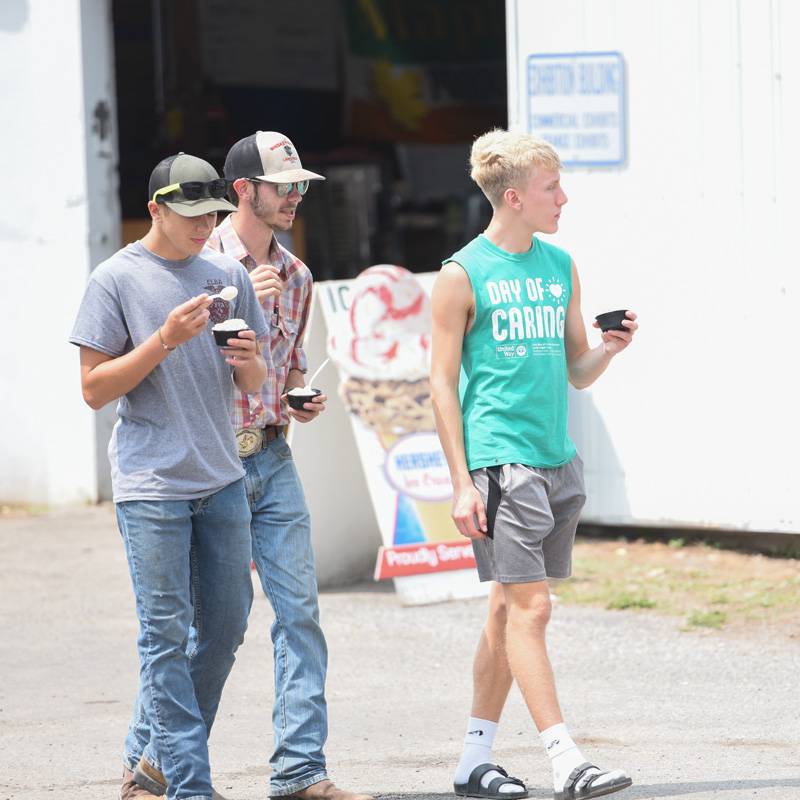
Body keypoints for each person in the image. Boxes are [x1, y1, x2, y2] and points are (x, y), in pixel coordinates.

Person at [129, 131, 372, 800]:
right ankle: (144, 761)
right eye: (282, 186)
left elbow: (285, 367)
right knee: (196, 629)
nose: (295, 198)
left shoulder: (297, 275)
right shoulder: (194, 263)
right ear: (243, 191)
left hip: (272, 454)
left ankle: (299, 771)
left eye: (301, 187)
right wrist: (240, 300)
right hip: (207, 468)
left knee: (300, 613)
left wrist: (300, 396)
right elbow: (170, 369)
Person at [430, 129, 638, 800]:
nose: (564, 198)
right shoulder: (462, 274)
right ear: (514, 197)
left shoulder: (560, 266)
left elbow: (577, 372)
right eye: (553, 189)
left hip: (556, 460)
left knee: (504, 612)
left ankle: (472, 761)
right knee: (532, 608)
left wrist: (607, 349)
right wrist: (461, 484)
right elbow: (438, 383)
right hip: (500, 462)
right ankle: (566, 759)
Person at [70, 152, 269, 800]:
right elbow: (94, 390)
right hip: (151, 485)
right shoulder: (114, 279)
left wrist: (247, 362)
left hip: (219, 478)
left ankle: (148, 763)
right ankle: (187, 785)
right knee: (163, 636)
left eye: (209, 213)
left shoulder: (225, 273)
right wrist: (161, 341)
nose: (200, 226)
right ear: (154, 207)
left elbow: (256, 378)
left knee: (226, 626)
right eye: (188, 214)